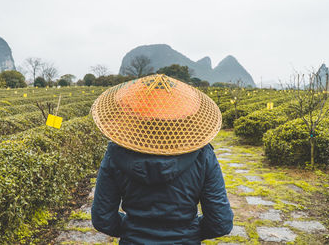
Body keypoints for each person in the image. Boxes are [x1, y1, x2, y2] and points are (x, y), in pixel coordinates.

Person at [90, 74, 233, 244]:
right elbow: (220, 222)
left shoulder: (116, 153)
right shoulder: (203, 155)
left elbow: (102, 217)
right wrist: (189, 232)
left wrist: (132, 230)